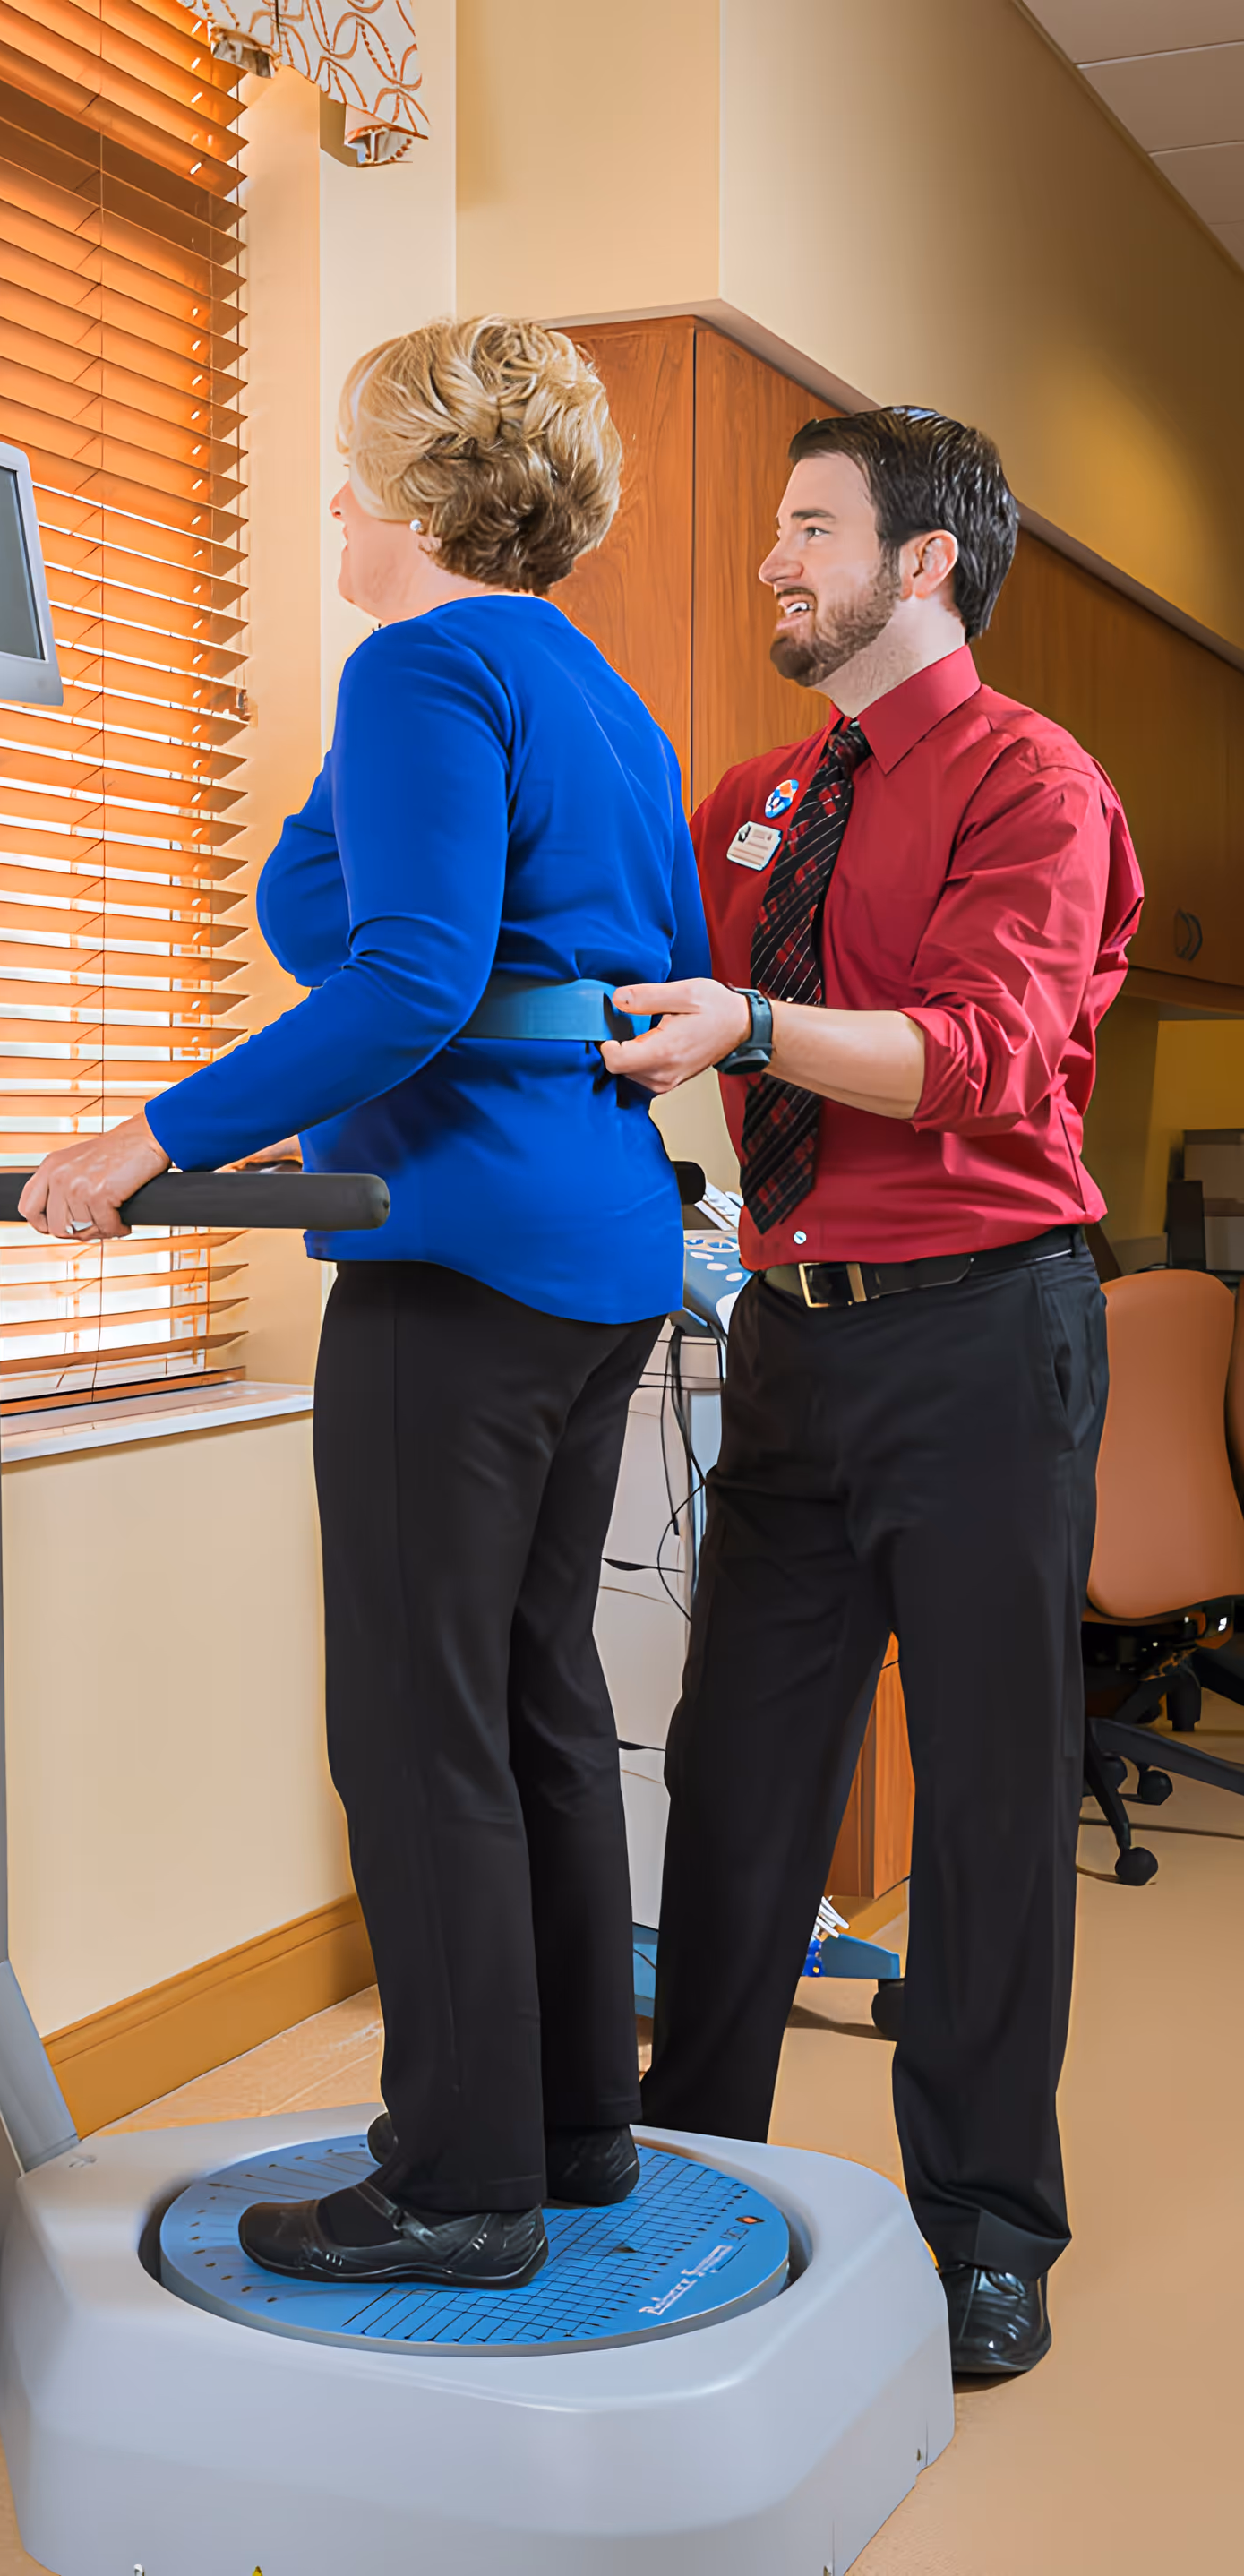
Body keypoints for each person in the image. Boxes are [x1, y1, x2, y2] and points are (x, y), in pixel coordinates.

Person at [19, 316, 709, 2289]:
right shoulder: (602, 700)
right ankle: (574, 2132)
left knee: (422, 1728)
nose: (329, 502)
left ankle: (454, 2182)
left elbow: (403, 977)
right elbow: (620, 983)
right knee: (540, 1701)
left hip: (464, 1257)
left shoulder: (420, 667)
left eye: (348, 471)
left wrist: (150, 1133)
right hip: (598, 1254)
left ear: (418, 497)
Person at [599, 407, 1142, 2376]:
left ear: (922, 563)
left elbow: (984, 1054)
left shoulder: (1034, 784)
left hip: (986, 1336)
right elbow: (632, 973)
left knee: (993, 1803)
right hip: (801, 1336)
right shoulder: (755, 795)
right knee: (741, 1791)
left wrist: (747, 1023)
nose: (772, 560)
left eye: (810, 528)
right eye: (774, 527)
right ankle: (692, 2173)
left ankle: (988, 2226)